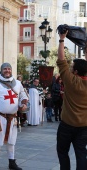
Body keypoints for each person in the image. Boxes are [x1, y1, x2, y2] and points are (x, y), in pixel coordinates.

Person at [0, 63, 28, 170]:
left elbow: (23, 95)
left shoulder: (17, 83)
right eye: (5, 69)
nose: (7, 71)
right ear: (1, 70)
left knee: (11, 141)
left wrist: (24, 104)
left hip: (12, 118)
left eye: (9, 69)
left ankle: (11, 162)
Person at [56, 31, 87, 170]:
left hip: (67, 125)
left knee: (63, 152)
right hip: (84, 126)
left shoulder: (70, 81)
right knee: (81, 154)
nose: (70, 68)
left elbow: (61, 61)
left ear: (75, 72)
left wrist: (62, 39)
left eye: (72, 67)